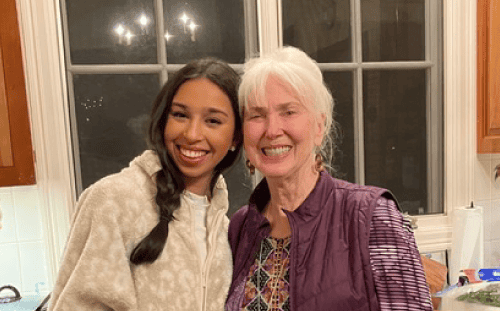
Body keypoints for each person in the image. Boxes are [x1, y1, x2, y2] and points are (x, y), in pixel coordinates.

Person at [225, 47, 433, 311]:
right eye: (257, 115)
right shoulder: (241, 227)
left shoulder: (373, 217)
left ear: (319, 127)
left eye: (289, 112)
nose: (272, 129)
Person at [49, 58, 243, 311]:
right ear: (163, 121)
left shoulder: (223, 228)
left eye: (213, 121)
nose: (192, 134)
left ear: (236, 137)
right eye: (180, 115)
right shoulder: (114, 199)